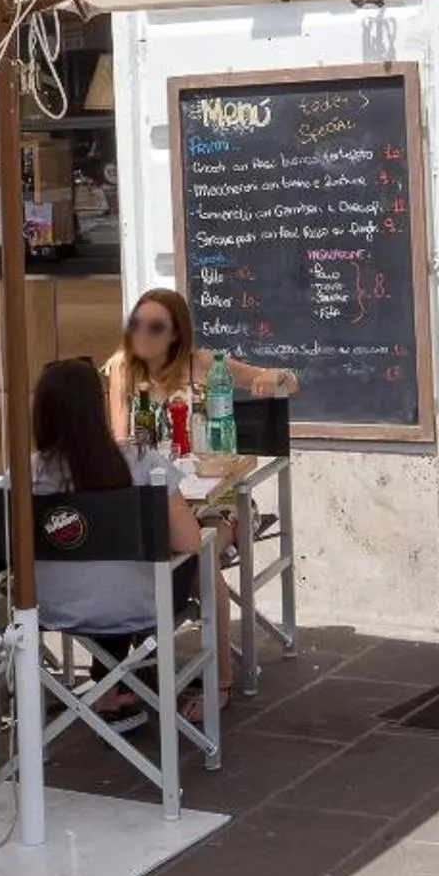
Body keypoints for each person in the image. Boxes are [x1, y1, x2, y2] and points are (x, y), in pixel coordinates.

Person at [30, 359, 231, 725]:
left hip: (52, 610)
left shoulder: (25, 474)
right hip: (138, 608)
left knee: (102, 571)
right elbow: (188, 541)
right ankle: (214, 681)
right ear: (98, 405)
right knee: (191, 548)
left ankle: (110, 689)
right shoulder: (141, 462)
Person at [102, 288, 297, 442]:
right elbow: (121, 441)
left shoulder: (204, 363)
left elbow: (289, 384)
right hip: (154, 480)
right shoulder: (123, 366)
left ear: (175, 334)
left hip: (208, 476)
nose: (142, 334)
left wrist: (279, 377)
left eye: (155, 327)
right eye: (136, 324)